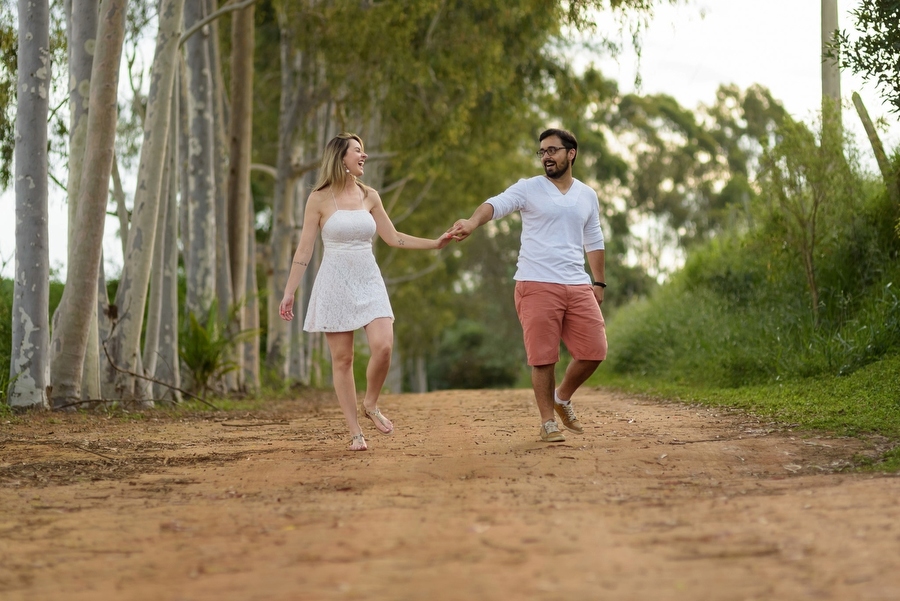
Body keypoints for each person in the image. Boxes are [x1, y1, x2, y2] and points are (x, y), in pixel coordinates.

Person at [280, 132, 450, 452]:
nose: (364, 156)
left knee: (383, 346)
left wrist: (435, 243)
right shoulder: (318, 199)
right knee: (342, 359)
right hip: (334, 281)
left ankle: (370, 404)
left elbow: (394, 237)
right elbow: (304, 250)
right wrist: (289, 292)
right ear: (340, 157)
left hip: (368, 278)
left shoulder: (370, 195)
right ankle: (355, 430)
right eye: (358, 151)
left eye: (364, 150)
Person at [447, 128, 607, 443]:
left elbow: (594, 239)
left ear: (570, 153)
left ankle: (562, 398)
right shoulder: (529, 188)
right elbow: (495, 204)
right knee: (543, 358)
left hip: (577, 283)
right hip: (536, 282)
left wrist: (598, 281)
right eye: (542, 151)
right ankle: (548, 421)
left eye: (553, 150)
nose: (546, 156)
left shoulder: (587, 195)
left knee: (595, 351)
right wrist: (472, 222)